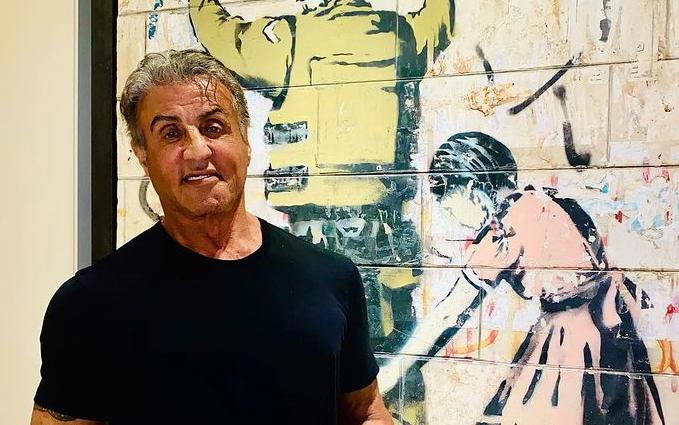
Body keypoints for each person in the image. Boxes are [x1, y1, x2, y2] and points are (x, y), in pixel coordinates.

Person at [31, 49, 392, 425]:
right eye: (171, 134)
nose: (197, 150)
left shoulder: (331, 279)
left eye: (214, 127)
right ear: (142, 155)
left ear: (246, 143)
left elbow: (366, 411)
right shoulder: (89, 304)